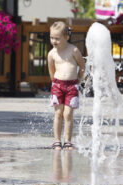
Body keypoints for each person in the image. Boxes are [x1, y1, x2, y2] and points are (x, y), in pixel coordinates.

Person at [47, 21, 85, 150]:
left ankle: (68, 140)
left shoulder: (73, 50)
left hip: (71, 86)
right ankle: (57, 140)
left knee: (68, 114)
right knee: (58, 113)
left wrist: (78, 80)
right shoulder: (52, 54)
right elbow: (51, 70)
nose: (54, 41)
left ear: (66, 37)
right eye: (52, 37)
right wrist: (54, 83)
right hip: (57, 85)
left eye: (57, 38)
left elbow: (82, 67)